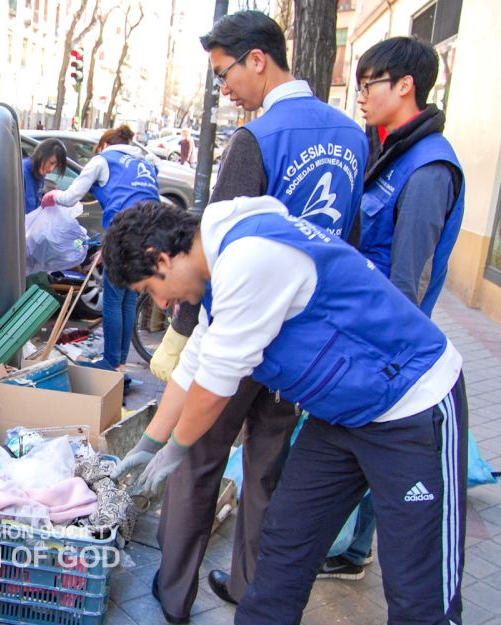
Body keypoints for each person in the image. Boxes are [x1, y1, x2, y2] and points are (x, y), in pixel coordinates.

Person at [108, 198, 466, 625]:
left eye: (150, 289)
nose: (162, 304)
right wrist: (150, 444)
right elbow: (195, 362)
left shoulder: (251, 257)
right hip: (340, 415)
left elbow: (217, 382)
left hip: (410, 406)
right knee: (284, 544)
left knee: (418, 586)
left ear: (161, 258)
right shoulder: (217, 262)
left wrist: (177, 449)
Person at [137, 11, 369, 622]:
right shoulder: (351, 134)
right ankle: (250, 587)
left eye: (224, 73)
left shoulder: (257, 138)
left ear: (257, 58)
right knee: (266, 467)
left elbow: (202, 254)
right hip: (304, 340)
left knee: (195, 459)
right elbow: (352, 235)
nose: (225, 89)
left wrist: (182, 336)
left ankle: (174, 594)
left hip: (241, 328)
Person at [317, 36, 465, 582]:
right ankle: (352, 549)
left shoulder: (427, 167)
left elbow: (409, 279)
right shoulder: (392, 150)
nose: (360, 95)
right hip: (362, 333)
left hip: (385, 347)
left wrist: (375, 355)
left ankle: (357, 551)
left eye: (369, 83)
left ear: (406, 85)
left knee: (382, 455)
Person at [40, 124, 160, 372]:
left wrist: (52, 197)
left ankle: (110, 361)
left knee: (113, 300)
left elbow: (72, 196)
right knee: (128, 298)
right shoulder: (144, 164)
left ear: (105, 144)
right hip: (152, 232)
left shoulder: (102, 160)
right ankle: (121, 362)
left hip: (124, 230)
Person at [22, 138, 68, 214]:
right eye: (51, 163)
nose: (51, 169)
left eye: (56, 166)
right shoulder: (21, 173)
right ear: (41, 154)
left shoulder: (40, 174)